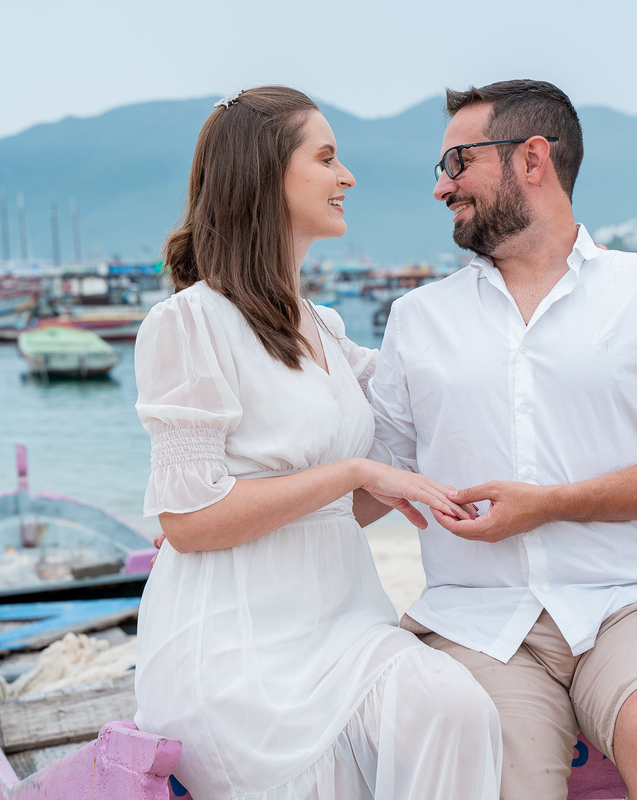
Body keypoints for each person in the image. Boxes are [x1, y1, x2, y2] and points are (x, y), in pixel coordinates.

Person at [367, 79, 637, 800]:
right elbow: (375, 481)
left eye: (456, 164)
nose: (441, 188)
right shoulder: (417, 318)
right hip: (474, 617)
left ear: (532, 158)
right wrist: (239, 514)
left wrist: (550, 505)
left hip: (630, 601)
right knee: (501, 777)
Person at [132, 86, 501, 800]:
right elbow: (189, 522)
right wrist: (355, 473)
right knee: (323, 782)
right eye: (327, 157)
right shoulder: (189, 324)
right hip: (234, 645)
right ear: (266, 176)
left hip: (346, 626)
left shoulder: (325, 327)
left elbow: (426, 402)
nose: (347, 176)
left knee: (456, 713)